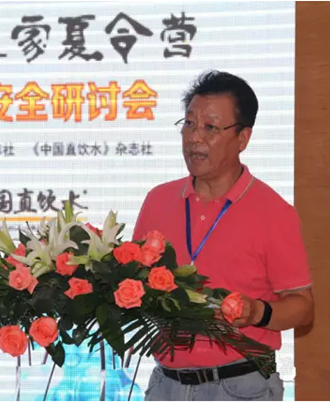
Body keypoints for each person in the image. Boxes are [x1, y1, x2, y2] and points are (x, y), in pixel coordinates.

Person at [132, 70, 314, 401]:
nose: (194, 138)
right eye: (189, 124)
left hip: (239, 386)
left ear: (243, 138)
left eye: (210, 128)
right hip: (165, 385)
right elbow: (134, 281)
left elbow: (302, 308)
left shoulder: (273, 212)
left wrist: (256, 312)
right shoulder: (158, 200)